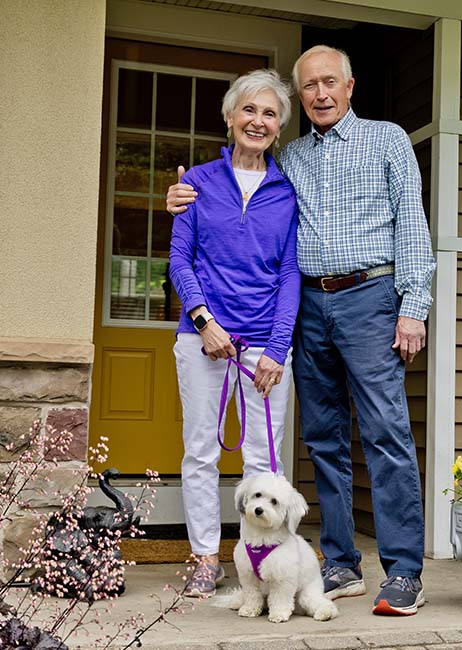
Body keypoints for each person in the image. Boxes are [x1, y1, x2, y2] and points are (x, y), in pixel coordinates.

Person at [167, 46, 436, 616]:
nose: (319, 93)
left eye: (329, 82)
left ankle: (405, 570)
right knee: (323, 438)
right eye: (309, 84)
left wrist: (415, 304)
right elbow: (221, 211)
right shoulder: (290, 161)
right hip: (311, 304)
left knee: (386, 431)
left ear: (350, 85)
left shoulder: (385, 140)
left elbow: (412, 222)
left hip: (369, 296)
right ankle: (339, 563)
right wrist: (179, 197)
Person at [169, 69, 300, 599]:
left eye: (270, 114)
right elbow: (180, 260)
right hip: (201, 340)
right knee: (200, 450)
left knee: (263, 460)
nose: (258, 121)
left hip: (265, 347)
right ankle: (205, 557)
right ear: (229, 117)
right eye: (249, 110)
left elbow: (290, 272)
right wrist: (204, 322)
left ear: (279, 129)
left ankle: (262, 562)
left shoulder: (287, 191)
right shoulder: (196, 182)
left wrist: (278, 347)